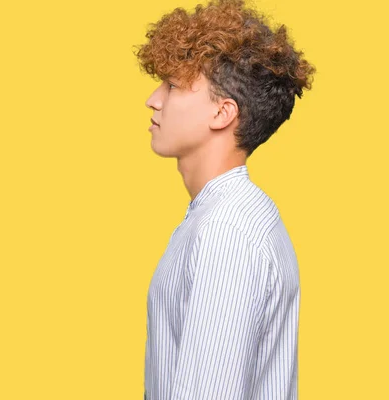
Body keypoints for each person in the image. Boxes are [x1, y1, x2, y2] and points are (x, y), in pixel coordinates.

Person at [132, 0, 316, 399]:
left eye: (174, 86)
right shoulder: (225, 218)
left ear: (222, 113)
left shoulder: (226, 233)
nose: (153, 99)